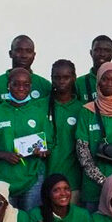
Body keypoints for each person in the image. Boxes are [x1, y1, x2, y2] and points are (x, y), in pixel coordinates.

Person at [0, 67, 50, 212]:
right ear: (8, 85)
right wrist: (3, 155)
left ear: (31, 86)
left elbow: (49, 145)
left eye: (26, 84)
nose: (21, 88)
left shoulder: (38, 113)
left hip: (32, 179)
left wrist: (42, 152)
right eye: (16, 84)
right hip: (1, 179)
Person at [76, 62, 112, 212]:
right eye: (105, 79)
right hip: (93, 186)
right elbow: (82, 151)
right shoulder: (87, 111)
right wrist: (102, 180)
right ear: (98, 81)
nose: (109, 84)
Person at [47, 59, 85, 204]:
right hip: (44, 181)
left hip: (72, 182)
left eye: (66, 77)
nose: (61, 81)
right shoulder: (41, 106)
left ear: (74, 78)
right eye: (57, 77)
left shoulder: (83, 109)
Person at [0, 34, 52, 107]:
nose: (24, 55)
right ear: (10, 53)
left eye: (28, 51)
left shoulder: (45, 86)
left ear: (34, 55)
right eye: (19, 50)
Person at [77, 35, 112, 104]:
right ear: (91, 53)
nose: (102, 54)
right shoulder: (79, 83)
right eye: (97, 50)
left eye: (107, 50)